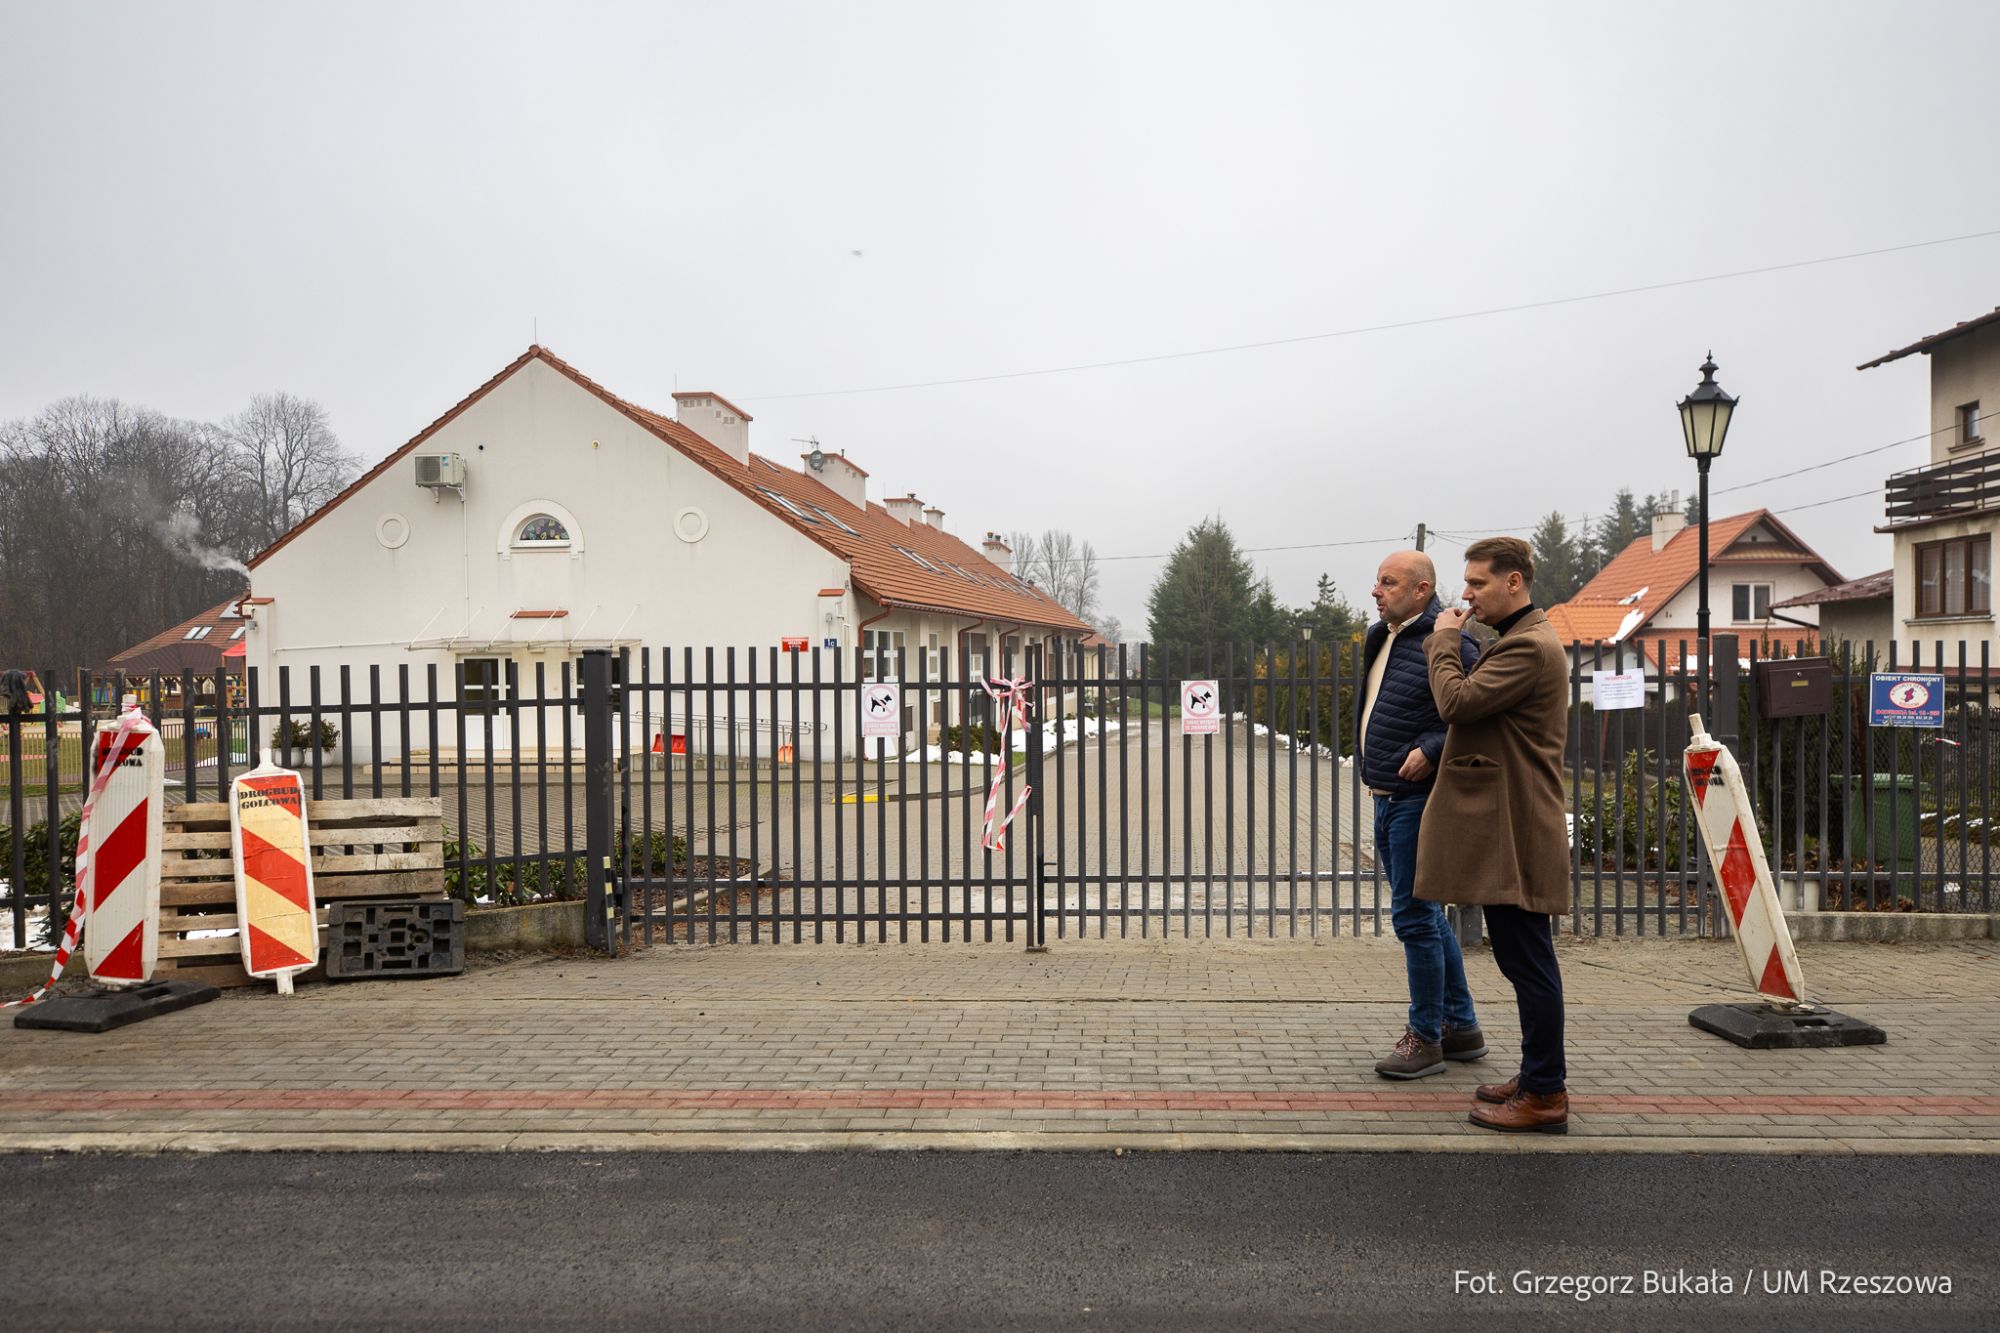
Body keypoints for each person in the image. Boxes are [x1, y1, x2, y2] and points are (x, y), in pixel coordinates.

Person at [1418, 536, 1572, 1133]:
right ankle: (1537, 1076)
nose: (1466, 594)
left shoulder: (1529, 647)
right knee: (1520, 956)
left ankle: (1546, 1094)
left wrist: (1444, 642)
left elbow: (1455, 702)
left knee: (1529, 961)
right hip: (1512, 817)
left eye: (1478, 583)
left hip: (1518, 822)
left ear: (1514, 582)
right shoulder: (1519, 640)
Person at [1355, 550, 1486, 1079]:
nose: (1376, 591)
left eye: (1388, 583)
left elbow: (1478, 708)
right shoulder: (1380, 635)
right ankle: (1463, 1027)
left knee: (1413, 917)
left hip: (1418, 798)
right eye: (1378, 581)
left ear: (1421, 590)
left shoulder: (1449, 639)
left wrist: (1433, 748)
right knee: (1428, 915)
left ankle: (1426, 1037)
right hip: (1385, 795)